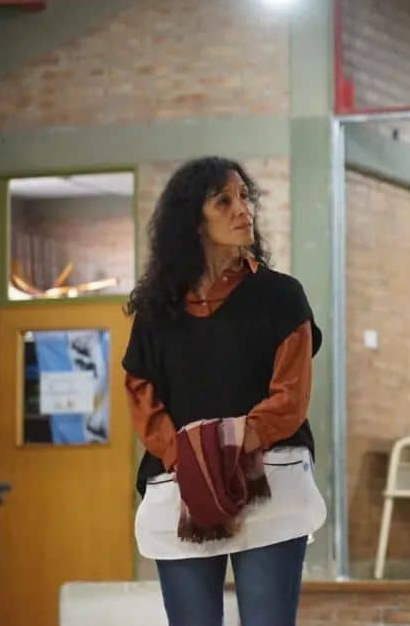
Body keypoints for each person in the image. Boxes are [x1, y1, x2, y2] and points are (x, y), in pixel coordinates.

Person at [123, 156, 326, 626]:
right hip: (179, 491)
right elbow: (141, 396)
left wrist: (224, 450)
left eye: (245, 197)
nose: (243, 210)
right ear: (193, 221)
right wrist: (189, 459)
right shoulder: (155, 310)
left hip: (271, 487)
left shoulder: (282, 296)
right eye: (224, 201)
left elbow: (290, 398)